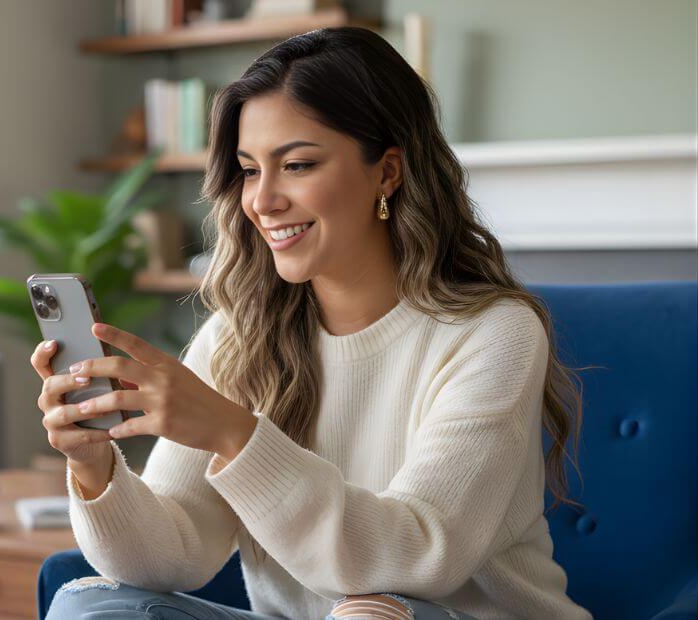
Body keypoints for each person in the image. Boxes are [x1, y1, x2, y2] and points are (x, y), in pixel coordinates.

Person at [32, 26, 593, 620]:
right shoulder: (238, 337)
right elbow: (175, 557)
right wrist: (92, 464)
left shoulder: (492, 334)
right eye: (249, 170)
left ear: (388, 172)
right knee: (92, 606)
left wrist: (233, 433)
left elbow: (420, 557)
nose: (263, 201)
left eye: (297, 165)